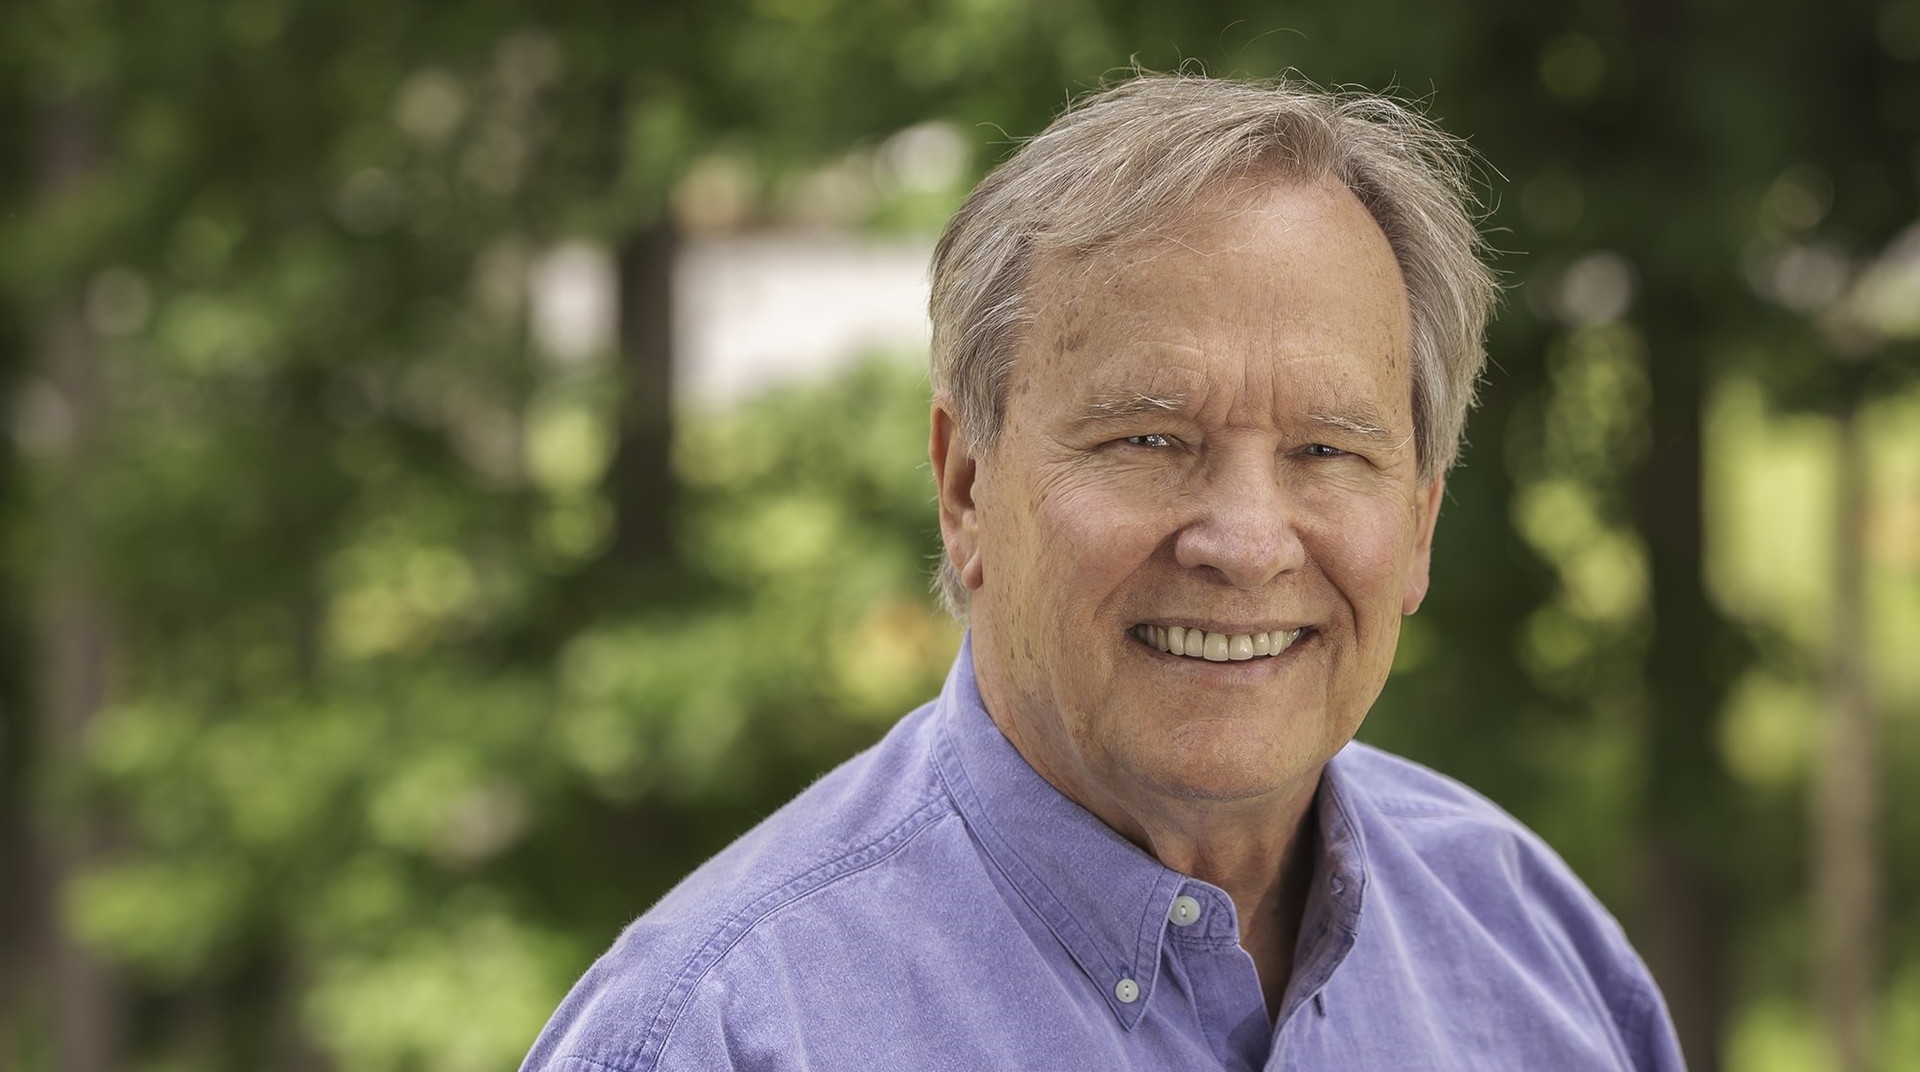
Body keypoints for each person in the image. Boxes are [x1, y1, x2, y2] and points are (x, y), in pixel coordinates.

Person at [520, 73, 1687, 1071]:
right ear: (966, 487)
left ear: (1420, 522)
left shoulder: (1534, 952)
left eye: (1327, 453)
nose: (1246, 543)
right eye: (1149, 440)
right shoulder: (718, 1032)